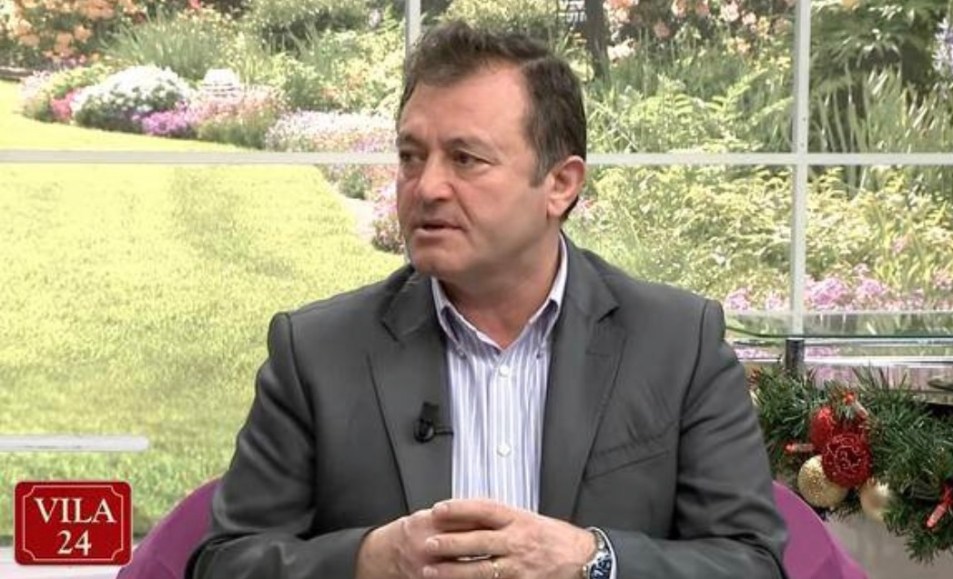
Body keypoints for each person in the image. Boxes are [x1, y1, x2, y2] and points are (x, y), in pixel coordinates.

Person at [187, 21, 787, 579]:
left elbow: (751, 562)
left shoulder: (677, 343)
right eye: (411, 157)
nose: (427, 187)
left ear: (560, 184)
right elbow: (224, 562)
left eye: (466, 159)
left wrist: (592, 560)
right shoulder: (317, 352)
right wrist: (369, 560)